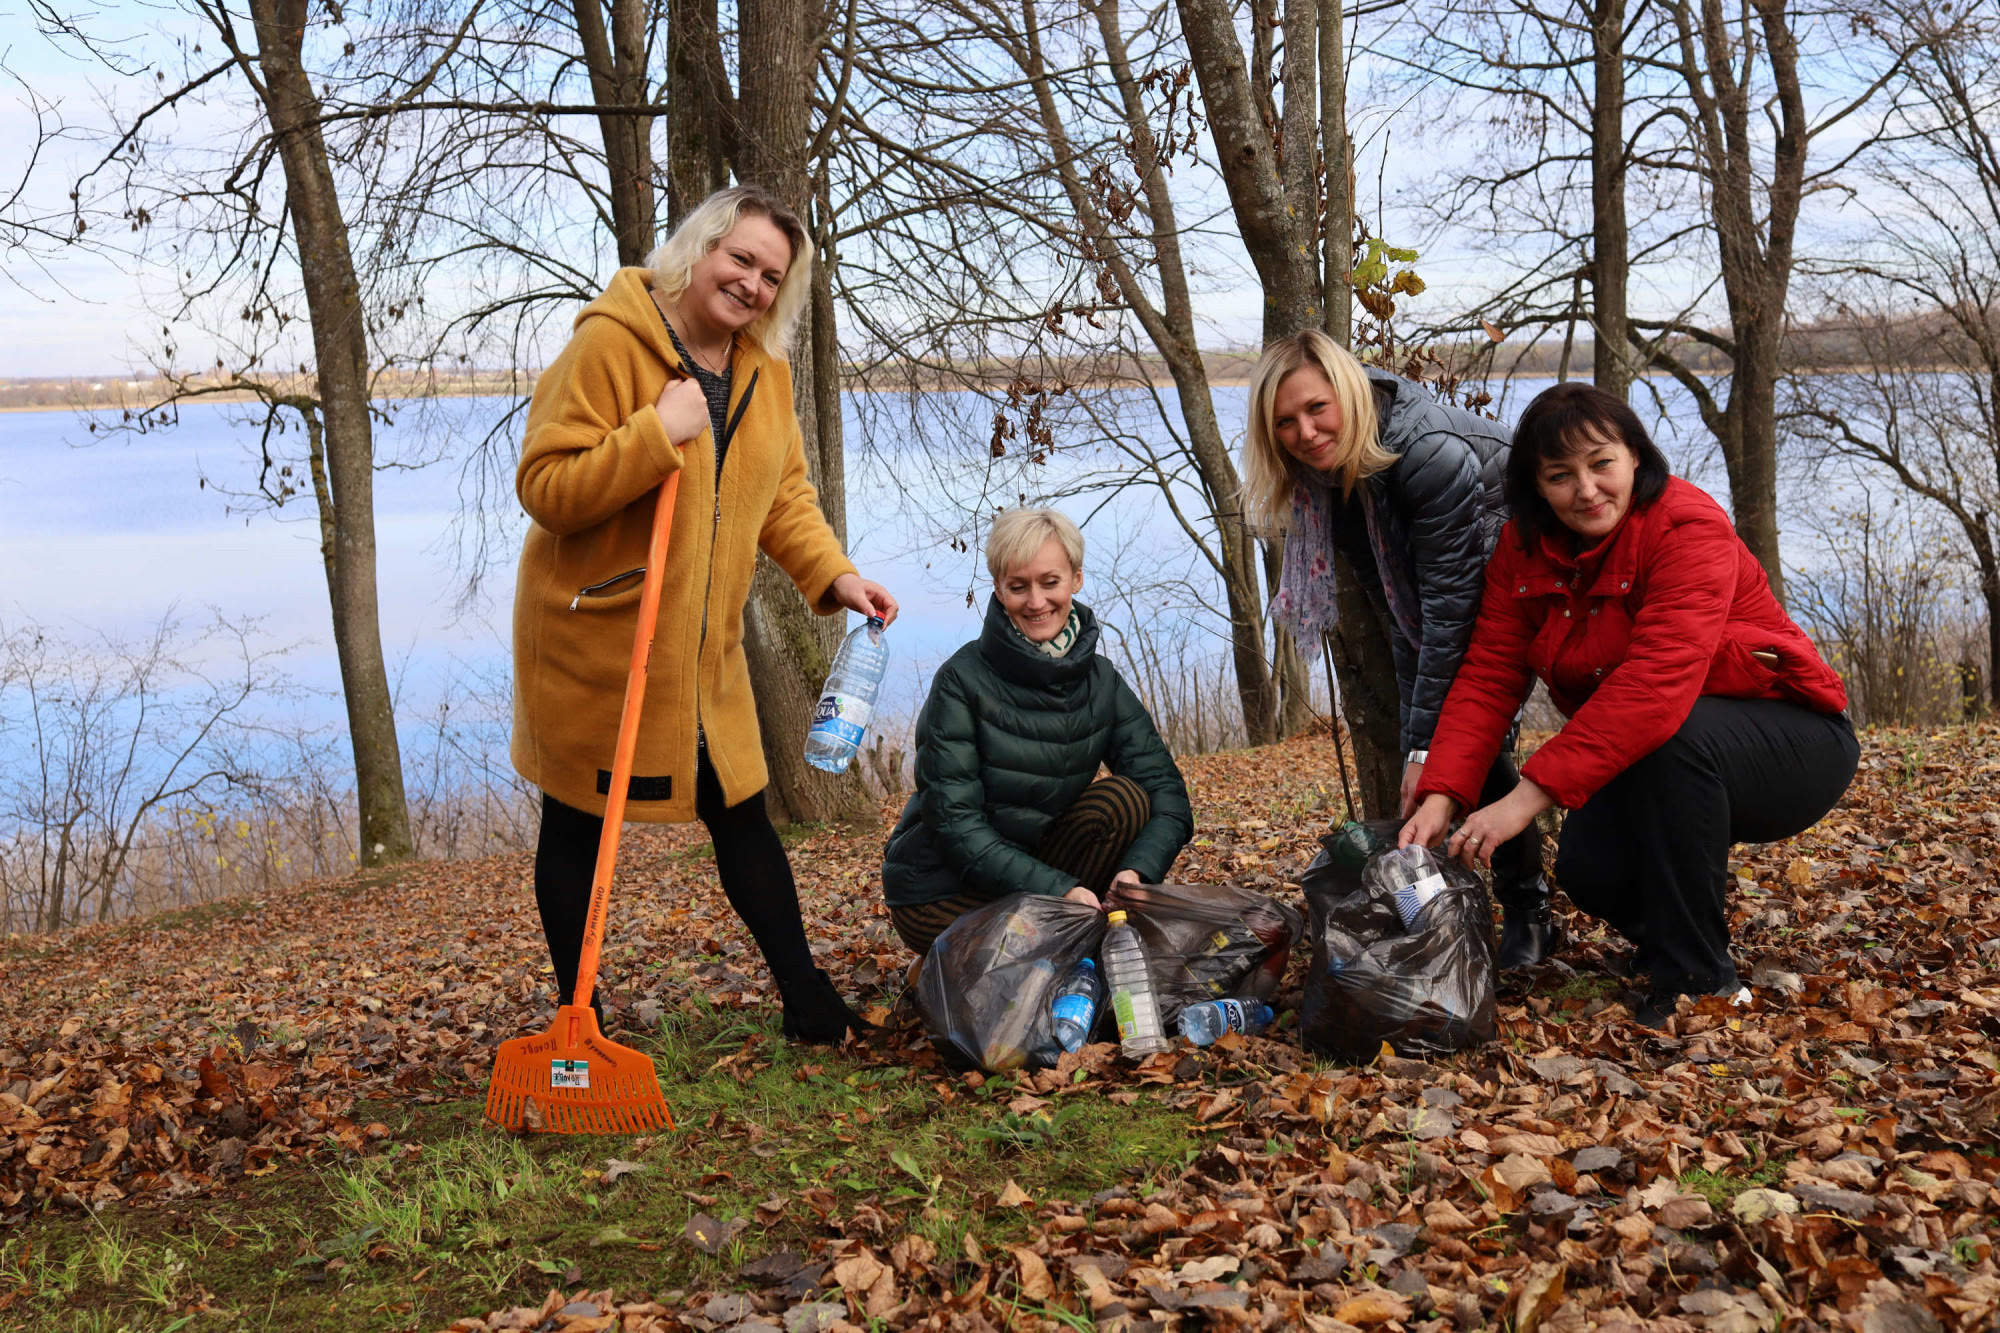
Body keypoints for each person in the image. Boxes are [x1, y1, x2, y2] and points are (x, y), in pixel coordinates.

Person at [512, 184, 898, 1043]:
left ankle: (808, 1001)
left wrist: (835, 577)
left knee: (742, 808)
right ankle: (582, 1020)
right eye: (741, 259)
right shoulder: (611, 345)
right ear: (700, 250)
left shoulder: (764, 374)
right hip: (598, 639)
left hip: (701, 650)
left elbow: (782, 497)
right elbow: (546, 486)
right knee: (576, 821)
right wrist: (655, 433)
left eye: (771, 275)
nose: (752, 284)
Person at [1399, 383, 1857, 1027]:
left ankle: (1701, 981)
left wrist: (1524, 800)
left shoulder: (1688, 525)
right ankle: (1674, 935)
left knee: (1675, 737)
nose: (1586, 489)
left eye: (1601, 463)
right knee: (1588, 871)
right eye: (1560, 475)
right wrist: (1445, 789)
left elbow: (1655, 686)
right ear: (1536, 486)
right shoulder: (1521, 552)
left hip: (1791, 740)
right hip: (1657, 748)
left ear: (1635, 458)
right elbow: (1488, 675)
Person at [1243, 329, 1560, 968]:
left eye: (1317, 408)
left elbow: (1446, 617)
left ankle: (1531, 910)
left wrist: (1426, 752)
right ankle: (1461, 914)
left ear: (1351, 394)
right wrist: (1424, 746)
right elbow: (1400, 611)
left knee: (1478, 741)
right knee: (1454, 744)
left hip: (1536, 583)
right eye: (1285, 422)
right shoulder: (1329, 480)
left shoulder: (1426, 454)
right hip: (1459, 601)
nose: (1305, 432)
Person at [881, 508, 1194, 956]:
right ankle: (990, 955)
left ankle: (1061, 939)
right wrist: (1061, 890)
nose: (1036, 601)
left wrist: (1138, 872)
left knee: (1124, 800)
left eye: (1050, 582)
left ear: (1076, 580)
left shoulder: (1100, 681)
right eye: (1018, 586)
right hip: (942, 890)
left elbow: (1166, 792)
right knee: (1029, 969)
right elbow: (955, 823)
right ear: (998, 590)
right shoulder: (961, 681)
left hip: (1035, 872)